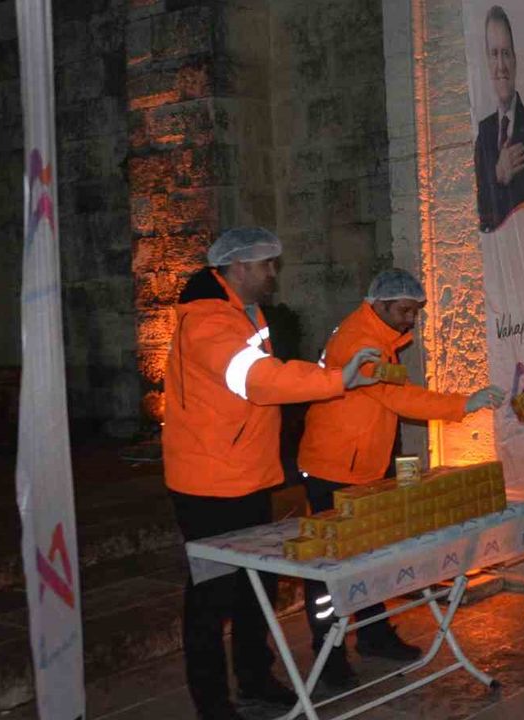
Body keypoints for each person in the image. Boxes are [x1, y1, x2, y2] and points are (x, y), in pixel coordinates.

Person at [162, 227, 382, 720]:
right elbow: (258, 379)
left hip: (246, 475)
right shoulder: (207, 321)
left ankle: (255, 678)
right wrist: (335, 379)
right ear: (239, 267)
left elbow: (265, 378)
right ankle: (212, 704)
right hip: (209, 484)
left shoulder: (244, 311)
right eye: (266, 265)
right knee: (211, 596)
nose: (273, 273)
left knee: (254, 588)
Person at [297, 268, 505, 686]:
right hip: (331, 468)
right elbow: (399, 398)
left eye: (415, 311)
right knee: (330, 565)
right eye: (405, 310)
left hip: (361, 465)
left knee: (368, 554)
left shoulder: (381, 337)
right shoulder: (360, 341)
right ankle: (328, 652)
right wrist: (463, 404)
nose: (411, 319)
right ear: (379, 304)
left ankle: (373, 634)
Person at [473, 5, 524, 233]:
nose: (501, 66)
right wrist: (497, 175)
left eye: (506, 53)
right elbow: (480, 211)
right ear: (487, 62)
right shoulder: (483, 134)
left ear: (515, 59)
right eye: (494, 54)